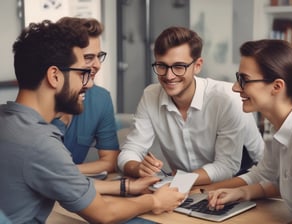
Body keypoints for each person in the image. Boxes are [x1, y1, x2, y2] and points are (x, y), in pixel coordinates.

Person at [0, 20, 185, 223]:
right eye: (82, 73)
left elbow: (63, 180)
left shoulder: (9, 123)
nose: (87, 83)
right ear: (54, 76)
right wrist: (155, 201)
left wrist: (126, 187)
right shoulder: (40, 143)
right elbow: (104, 213)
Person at [117, 26, 264, 185]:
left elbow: (226, 166)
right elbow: (130, 150)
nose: (169, 76)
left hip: (244, 182)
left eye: (179, 67)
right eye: (162, 66)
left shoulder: (227, 98)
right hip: (189, 186)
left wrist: (177, 182)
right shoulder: (151, 96)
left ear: (198, 65)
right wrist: (137, 167)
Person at [207, 39, 292, 223]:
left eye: (244, 80)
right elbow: (264, 173)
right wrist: (240, 192)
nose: (235, 87)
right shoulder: (280, 127)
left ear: (277, 86)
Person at [51, 17, 119, 175]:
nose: (98, 65)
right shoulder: (43, 100)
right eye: (88, 58)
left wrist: (65, 174)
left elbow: (110, 161)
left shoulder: (100, 99)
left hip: (73, 188)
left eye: (99, 56)